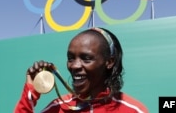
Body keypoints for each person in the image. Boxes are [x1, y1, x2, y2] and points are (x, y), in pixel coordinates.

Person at [14, 27, 148, 113]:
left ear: (109, 62)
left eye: (86, 58)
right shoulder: (58, 107)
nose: (74, 66)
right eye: (71, 58)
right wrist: (30, 92)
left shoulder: (133, 110)